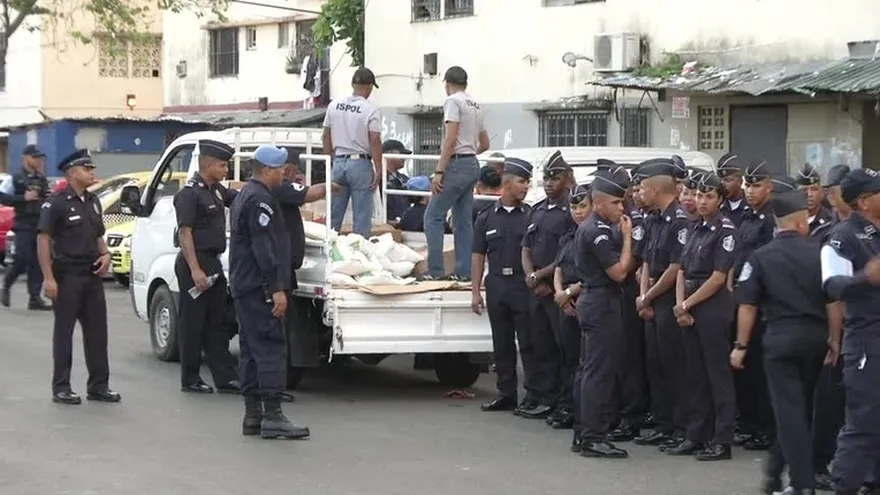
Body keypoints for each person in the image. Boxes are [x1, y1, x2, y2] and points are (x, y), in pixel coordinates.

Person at [731, 184, 834, 495]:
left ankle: (803, 484)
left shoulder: (761, 257)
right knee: (797, 410)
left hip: (781, 341)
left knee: (789, 413)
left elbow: (747, 305)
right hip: (817, 340)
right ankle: (775, 474)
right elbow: (834, 301)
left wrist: (740, 346)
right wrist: (836, 337)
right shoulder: (820, 253)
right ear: (802, 222)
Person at [229, 145, 310, 440]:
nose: (283, 175)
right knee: (271, 349)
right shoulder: (261, 200)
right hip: (259, 287)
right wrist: (275, 288)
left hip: (245, 285)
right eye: (280, 171)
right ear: (267, 171)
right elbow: (264, 249)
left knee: (250, 351)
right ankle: (273, 415)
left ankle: (253, 415)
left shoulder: (245, 195)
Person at [37, 149, 120, 405]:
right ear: (73, 172)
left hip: (92, 275)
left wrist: (105, 254)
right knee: (64, 333)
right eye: (87, 169)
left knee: (97, 333)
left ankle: (98, 386)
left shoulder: (94, 201)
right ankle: (61, 387)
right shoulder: (57, 202)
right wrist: (48, 278)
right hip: (67, 275)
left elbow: (97, 234)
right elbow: (43, 238)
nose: (92, 172)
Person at [821, 168, 880, 495]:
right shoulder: (844, 236)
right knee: (863, 423)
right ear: (866, 201)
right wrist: (865, 278)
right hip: (868, 343)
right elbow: (832, 285)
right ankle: (844, 485)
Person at [673, 172, 738, 461]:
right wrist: (680, 305)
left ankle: (721, 440)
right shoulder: (694, 228)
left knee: (717, 375)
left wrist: (686, 305)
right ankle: (695, 435)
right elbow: (682, 269)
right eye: (698, 195)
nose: (700, 201)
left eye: (708, 196)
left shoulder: (725, 231)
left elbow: (718, 278)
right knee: (694, 375)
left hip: (712, 305)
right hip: (688, 302)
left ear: (720, 199)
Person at [571, 172, 634, 459]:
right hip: (601, 302)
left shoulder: (596, 227)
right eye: (617, 202)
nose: (622, 208)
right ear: (599, 203)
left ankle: (583, 432)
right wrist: (629, 240)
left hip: (594, 300)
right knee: (599, 372)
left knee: (588, 369)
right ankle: (593, 436)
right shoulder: (596, 231)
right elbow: (619, 273)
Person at [172, 139, 240, 394]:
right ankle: (190, 378)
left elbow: (242, 195)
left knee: (217, 321)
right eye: (222, 165)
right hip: (195, 261)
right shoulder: (189, 195)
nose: (226, 170)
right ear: (208, 164)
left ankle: (225, 378)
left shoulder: (216, 191)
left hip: (213, 261)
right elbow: (185, 234)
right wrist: (195, 269)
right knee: (192, 322)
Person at [633, 159, 691, 450]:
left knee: (674, 367)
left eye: (643, 189)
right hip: (651, 296)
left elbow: (675, 267)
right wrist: (643, 296)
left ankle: (680, 427)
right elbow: (645, 260)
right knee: (655, 365)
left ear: (655, 190)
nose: (639, 194)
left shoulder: (680, 219)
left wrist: (650, 296)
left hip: (667, 298)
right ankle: (662, 422)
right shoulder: (654, 218)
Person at [471, 158, 533, 413]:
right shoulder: (486, 218)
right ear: (506, 184)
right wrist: (475, 292)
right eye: (521, 182)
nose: (526, 187)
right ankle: (506, 393)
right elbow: (478, 255)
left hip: (522, 283)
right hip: (497, 283)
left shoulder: (530, 215)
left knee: (529, 343)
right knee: (502, 343)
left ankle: (533, 395)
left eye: (527, 182)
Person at [521, 151, 574, 421]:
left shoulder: (571, 210)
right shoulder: (538, 209)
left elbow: (565, 255)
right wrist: (532, 277)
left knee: (562, 348)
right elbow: (526, 247)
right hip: (537, 290)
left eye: (555, 178)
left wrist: (542, 277)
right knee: (539, 346)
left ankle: (562, 401)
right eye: (546, 178)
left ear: (567, 178)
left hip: (558, 290)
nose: (549, 183)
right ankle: (543, 396)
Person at [425, 66, 490, 281]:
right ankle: (465, 273)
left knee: (433, 216)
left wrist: (440, 170)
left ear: (447, 84)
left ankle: (435, 272)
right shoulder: (476, 105)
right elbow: (485, 143)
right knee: (463, 221)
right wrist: (469, 153)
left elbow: (450, 139)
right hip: (472, 163)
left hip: (457, 164)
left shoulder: (452, 101)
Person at [275, 157, 332, 402]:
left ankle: (273, 386)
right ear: (285, 170)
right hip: (279, 273)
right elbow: (311, 194)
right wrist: (334, 184)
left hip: (284, 271)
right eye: (294, 171)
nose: (297, 176)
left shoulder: (278, 189)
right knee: (276, 333)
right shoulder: (281, 189)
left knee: (277, 332)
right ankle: (273, 388)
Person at [732, 160, 778, 451]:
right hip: (742, 298)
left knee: (761, 370)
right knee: (745, 369)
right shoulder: (747, 217)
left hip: (761, 302)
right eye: (748, 185)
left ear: (769, 187)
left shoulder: (772, 219)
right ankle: (748, 424)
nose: (750, 190)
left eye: (757, 185)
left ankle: (764, 428)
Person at [812, 163, 851, 490]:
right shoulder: (824, 234)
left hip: (861, 326)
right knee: (827, 401)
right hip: (828, 327)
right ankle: (819, 462)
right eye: (837, 192)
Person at [323, 67, 383, 238]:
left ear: (353, 84)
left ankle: (328, 249)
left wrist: (330, 161)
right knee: (362, 216)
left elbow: (325, 135)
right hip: (360, 163)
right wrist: (378, 169)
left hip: (339, 162)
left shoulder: (334, 105)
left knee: (334, 214)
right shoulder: (370, 109)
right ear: (370, 87)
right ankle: (359, 255)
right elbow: (375, 140)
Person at [550, 183, 592, 430]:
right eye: (574, 207)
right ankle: (568, 406)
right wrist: (559, 293)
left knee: (583, 361)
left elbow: (593, 276)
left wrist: (567, 294)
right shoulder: (569, 236)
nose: (577, 211)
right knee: (567, 359)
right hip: (564, 300)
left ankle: (582, 411)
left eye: (582, 206)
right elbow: (558, 268)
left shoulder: (596, 234)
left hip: (583, 300)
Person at [0, 144, 51, 310]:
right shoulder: (14, 178)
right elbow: (2, 196)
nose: (38, 161)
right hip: (23, 223)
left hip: (39, 223)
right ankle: (6, 285)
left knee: (38, 260)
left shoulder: (41, 179)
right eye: (35, 157)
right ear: (26, 158)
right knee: (22, 258)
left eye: (40, 158)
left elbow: (47, 197)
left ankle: (34, 298)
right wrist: (23, 197)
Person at [796, 164, 833, 241]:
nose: (809, 194)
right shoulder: (791, 222)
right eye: (804, 190)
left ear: (821, 192)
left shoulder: (831, 221)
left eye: (814, 189)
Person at [382, 139, 412, 223]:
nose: (404, 158)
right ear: (389, 154)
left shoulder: (404, 179)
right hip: (386, 225)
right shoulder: (378, 179)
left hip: (403, 225)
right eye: (401, 153)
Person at [717, 153, 749, 227]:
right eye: (720, 180)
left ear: (740, 182)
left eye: (727, 180)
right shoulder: (717, 206)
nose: (722, 185)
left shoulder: (751, 205)